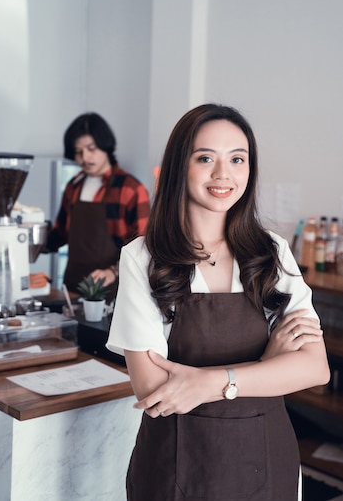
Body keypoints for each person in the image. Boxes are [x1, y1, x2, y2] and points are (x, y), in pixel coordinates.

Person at [106, 103, 330, 501]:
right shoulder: (144, 257)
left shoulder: (271, 252)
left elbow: (314, 367)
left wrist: (211, 381)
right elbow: (155, 389)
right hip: (176, 467)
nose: (223, 174)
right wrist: (266, 367)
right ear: (180, 166)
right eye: (205, 158)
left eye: (237, 159)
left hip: (267, 462)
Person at [45, 112, 150, 302]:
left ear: (105, 146)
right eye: (78, 152)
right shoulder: (73, 186)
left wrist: (112, 270)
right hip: (73, 291)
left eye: (91, 148)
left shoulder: (131, 189)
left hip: (114, 293)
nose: (85, 157)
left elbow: (143, 248)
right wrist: (30, 242)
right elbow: (60, 234)